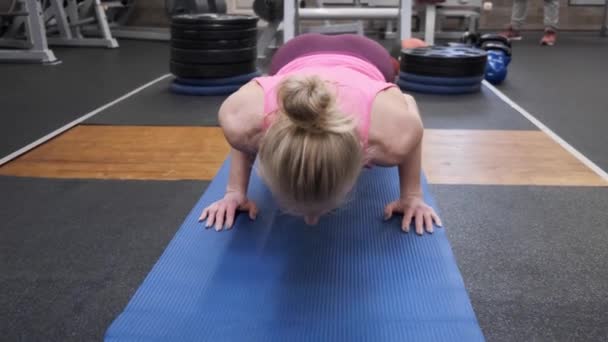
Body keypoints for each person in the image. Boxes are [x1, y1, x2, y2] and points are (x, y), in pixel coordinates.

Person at [199, 33, 442, 234]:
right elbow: (246, 133)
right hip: (294, 56)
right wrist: (235, 193)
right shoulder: (241, 120)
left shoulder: (390, 138)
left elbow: (408, 102)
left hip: (367, 57)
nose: (311, 221)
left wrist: (411, 195)